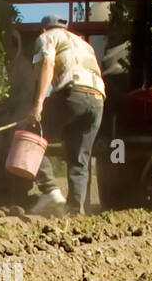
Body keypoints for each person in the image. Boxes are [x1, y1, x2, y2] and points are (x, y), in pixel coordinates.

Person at [28, 15, 105, 215]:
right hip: (97, 100)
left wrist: (38, 104)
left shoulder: (48, 37)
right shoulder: (83, 44)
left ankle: (49, 190)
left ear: (44, 29)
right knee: (79, 157)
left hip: (73, 94)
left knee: (32, 135)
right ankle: (74, 211)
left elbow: (47, 64)